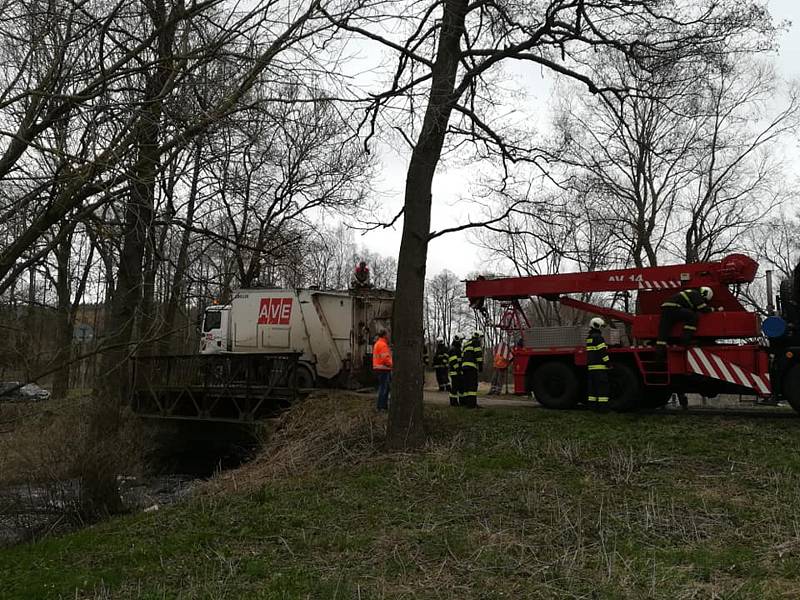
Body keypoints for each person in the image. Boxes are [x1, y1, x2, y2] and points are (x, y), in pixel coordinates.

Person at [656, 286, 714, 360]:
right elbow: (703, 309)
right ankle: (685, 340)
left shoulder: (690, 293)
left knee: (663, 332)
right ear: (705, 294)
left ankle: (659, 354)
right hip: (674, 308)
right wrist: (712, 309)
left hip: (666, 309)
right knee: (693, 316)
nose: (704, 301)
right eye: (705, 300)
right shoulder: (696, 294)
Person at [586, 317, 610, 405]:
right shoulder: (599, 338)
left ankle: (592, 406)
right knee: (602, 387)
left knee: (592, 388)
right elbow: (602, 352)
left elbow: (595, 349)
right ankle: (603, 408)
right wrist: (608, 363)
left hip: (591, 367)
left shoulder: (589, 338)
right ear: (597, 325)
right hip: (599, 367)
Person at [460, 331, 484, 408]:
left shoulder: (466, 344)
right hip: (471, 367)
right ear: (478, 337)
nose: (481, 340)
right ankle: (472, 405)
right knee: (472, 386)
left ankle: (467, 403)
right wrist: (480, 365)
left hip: (464, 367)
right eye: (481, 338)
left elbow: (462, 356)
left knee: (466, 386)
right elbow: (478, 354)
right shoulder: (476, 342)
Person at [372, 329, 392, 411]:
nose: (389, 336)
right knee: (384, 388)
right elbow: (386, 359)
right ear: (384, 335)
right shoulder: (383, 345)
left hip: (378, 368)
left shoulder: (377, 343)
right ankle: (382, 407)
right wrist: (393, 365)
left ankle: (381, 406)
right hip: (383, 369)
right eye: (388, 334)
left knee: (383, 388)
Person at [447, 336, 462, 407]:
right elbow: (453, 361)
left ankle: (454, 401)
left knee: (455, 387)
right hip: (455, 372)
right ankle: (453, 402)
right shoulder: (454, 349)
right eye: (461, 340)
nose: (461, 342)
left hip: (455, 371)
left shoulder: (455, 348)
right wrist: (458, 369)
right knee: (455, 388)